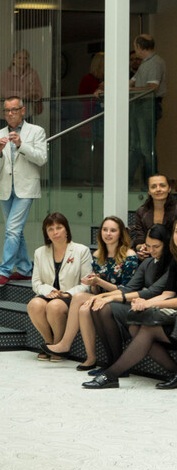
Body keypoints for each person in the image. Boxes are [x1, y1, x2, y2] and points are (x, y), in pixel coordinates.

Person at [83, 218, 177, 389]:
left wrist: (146, 303)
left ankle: (111, 374)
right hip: (159, 307)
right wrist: (104, 296)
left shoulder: (170, 262)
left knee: (143, 327)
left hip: (167, 312)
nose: (150, 250)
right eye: (148, 246)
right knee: (133, 326)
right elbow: (165, 293)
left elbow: (152, 292)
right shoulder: (157, 262)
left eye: (156, 247)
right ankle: (113, 367)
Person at [46, 215, 138, 370]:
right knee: (83, 309)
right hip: (101, 297)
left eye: (113, 230)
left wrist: (99, 282)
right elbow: (96, 289)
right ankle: (90, 358)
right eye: (105, 230)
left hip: (121, 299)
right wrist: (93, 283)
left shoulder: (129, 255)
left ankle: (65, 344)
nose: (108, 233)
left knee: (79, 297)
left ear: (120, 233)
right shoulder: (97, 255)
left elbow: (127, 289)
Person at [0, 97, 48, 287]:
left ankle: (3, 271)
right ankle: (25, 269)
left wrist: (21, 145)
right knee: (15, 231)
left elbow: (41, 159)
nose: (10, 114)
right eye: (6, 110)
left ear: (23, 110)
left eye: (14, 110)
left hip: (26, 188)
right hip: (5, 188)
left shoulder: (36, 131)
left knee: (12, 229)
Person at [26, 212, 92, 360]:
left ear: (66, 229)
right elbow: (36, 282)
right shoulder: (40, 252)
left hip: (71, 297)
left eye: (59, 228)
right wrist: (49, 291)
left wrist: (67, 294)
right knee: (34, 305)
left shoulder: (81, 251)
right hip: (48, 294)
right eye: (50, 229)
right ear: (46, 233)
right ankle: (49, 343)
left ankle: (59, 344)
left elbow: (86, 283)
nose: (55, 232)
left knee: (54, 306)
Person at [130, 35, 167, 186]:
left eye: (135, 46)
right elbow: (131, 82)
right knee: (135, 146)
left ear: (139, 47)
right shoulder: (145, 63)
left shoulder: (155, 62)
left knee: (146, 147)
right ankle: (127, 181)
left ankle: (151, 183)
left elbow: (153, 87)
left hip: (148, 105)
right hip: (139, 106)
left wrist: (130, 90)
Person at [128, 173, 177, 254]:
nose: (158, 189)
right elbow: (139, 239)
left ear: (169, 189)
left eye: (162, 185)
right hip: (150, 254)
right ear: (149, 191)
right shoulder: (141, 212)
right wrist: (141, 249)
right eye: (153, 187)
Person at [0, 49, 43, 115]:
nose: (23, 60)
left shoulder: (33, 73)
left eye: (25, 58)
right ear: (13, 60)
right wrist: (24, 95)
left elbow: (39, 92)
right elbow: (5, 93)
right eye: (20, 58)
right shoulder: (6, 74)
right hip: (9, 114)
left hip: (26, 113)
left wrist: (34, 95)